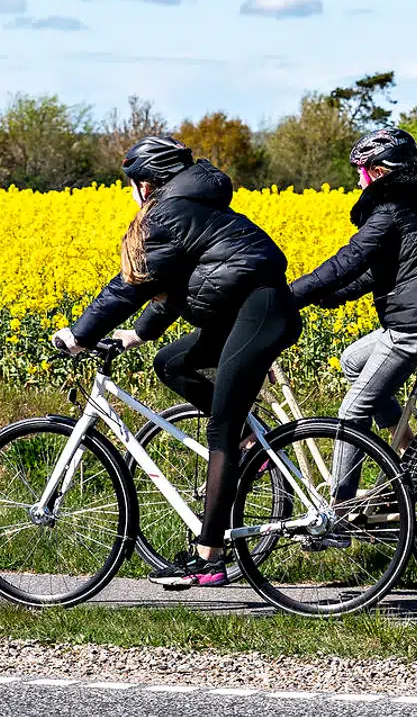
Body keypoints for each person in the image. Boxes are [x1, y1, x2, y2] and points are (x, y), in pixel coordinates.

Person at [51, 136, 302, 588]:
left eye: (133, 183)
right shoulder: (190, 207)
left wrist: (80, 334)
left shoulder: (170, 212)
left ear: (147, 183)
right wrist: (138, 334)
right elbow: (173, 284)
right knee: (170, 362)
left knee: (220, 431)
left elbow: (133, 286)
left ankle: (209, 558)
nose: (131, 191)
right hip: (247, 313)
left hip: (258, 314)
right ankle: (251, 442)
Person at [288, 127, 417, 503]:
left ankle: (338, 511)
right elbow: (377, 271)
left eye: (361, 171)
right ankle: (413, 452)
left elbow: (349, 259)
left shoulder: (392, 206)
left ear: (377, 171)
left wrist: (287, 296)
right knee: (352, 362)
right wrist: (328, 297)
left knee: (352, 411)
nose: (358, 181)